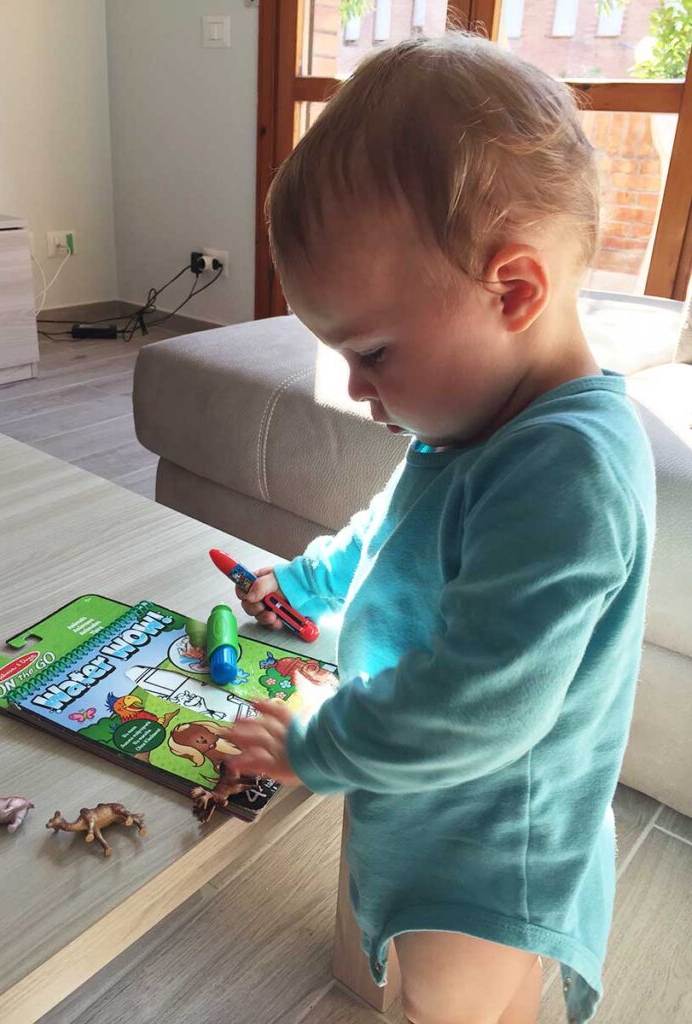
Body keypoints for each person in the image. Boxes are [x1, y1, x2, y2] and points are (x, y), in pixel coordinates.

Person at [226, 32, 655, 1024]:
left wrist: (316, 740)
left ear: (513, 291)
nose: (354, 387)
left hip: (490, 852)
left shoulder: (570, 466)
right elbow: (398, 530)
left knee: (441, 1008)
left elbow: (483, 703)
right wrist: (309, 581)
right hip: (437, 813)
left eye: (371, 349)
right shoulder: (474, 423)